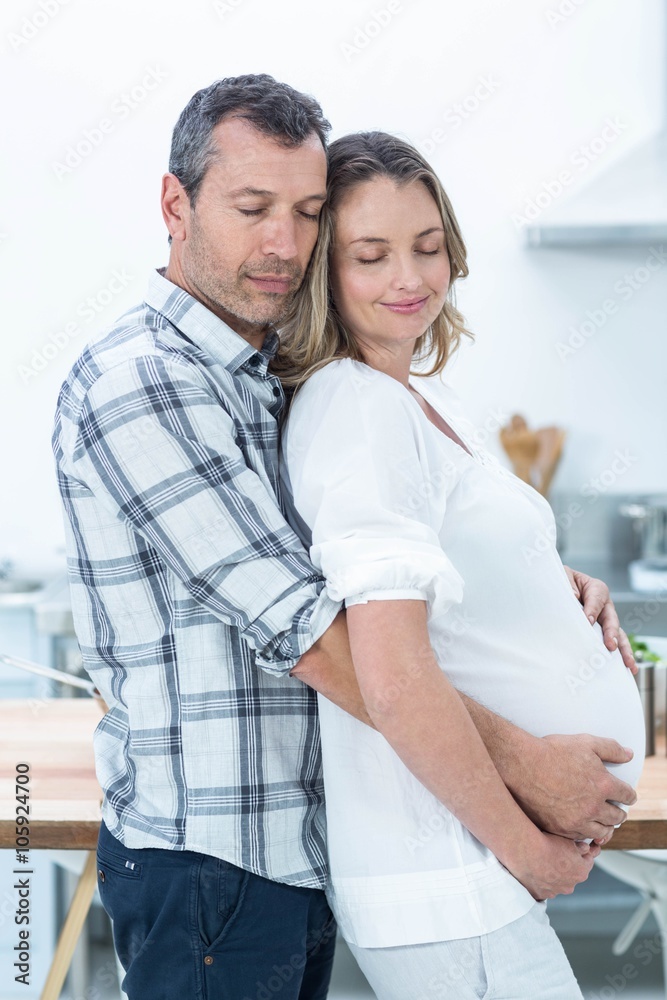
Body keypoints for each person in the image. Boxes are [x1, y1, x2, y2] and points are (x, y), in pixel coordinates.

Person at [51, 75, 637, 1000]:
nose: (284, 243)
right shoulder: (146, 383)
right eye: (252, 208)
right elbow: (315, 637)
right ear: (175, 203)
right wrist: (526, 781)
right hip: (216, 860)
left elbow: (359, 571)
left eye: (307, 212)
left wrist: (530, 584)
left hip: (298, 852)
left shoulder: (260, 373)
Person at [276, 130, 646, 999]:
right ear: (323, 270)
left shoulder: (420, 395)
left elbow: (444, 582)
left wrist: (547, 587)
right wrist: (532, 854)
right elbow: (393, 679)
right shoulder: (356, 406)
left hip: (472, 875)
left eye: (428, 247)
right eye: (371, 256)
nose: (409, 278)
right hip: (446, 876)